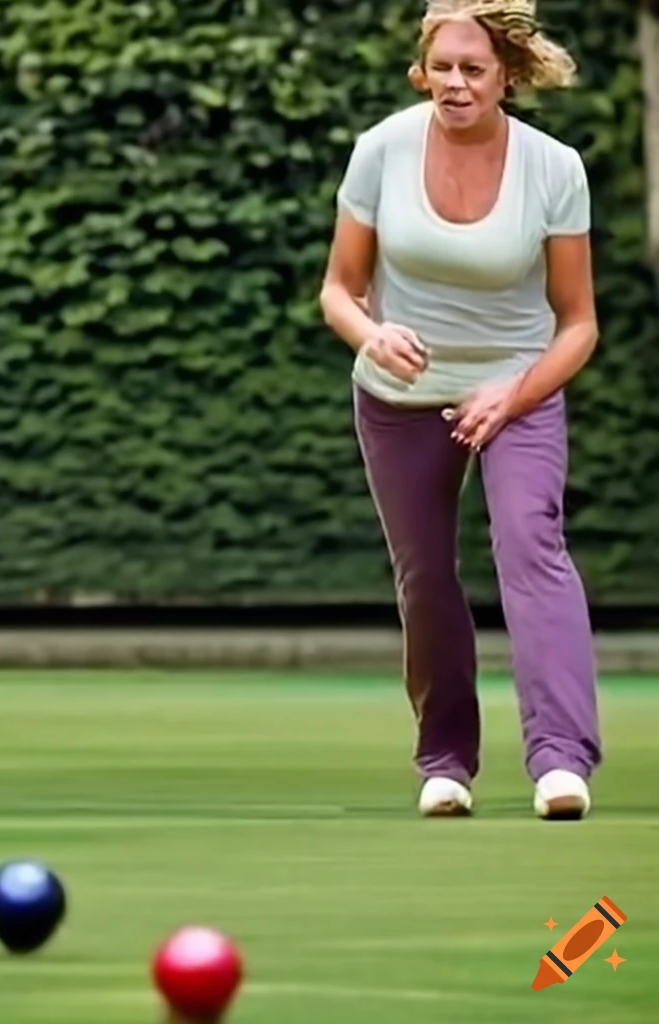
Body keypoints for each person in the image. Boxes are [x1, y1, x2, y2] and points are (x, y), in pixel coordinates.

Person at [319, 0, 601, 820]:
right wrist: (372, 337)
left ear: (505, 78)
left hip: (517, 388)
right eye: (441, 67)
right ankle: (446, 761)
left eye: (473, 69)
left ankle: (559, 761)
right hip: (402, 397)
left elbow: (578, 323)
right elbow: (339, 289)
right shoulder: (380, 150)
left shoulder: (555, 168)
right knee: (425, 575)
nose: (454, 83)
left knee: (529, 544)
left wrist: (512, 393)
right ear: (421, 72)